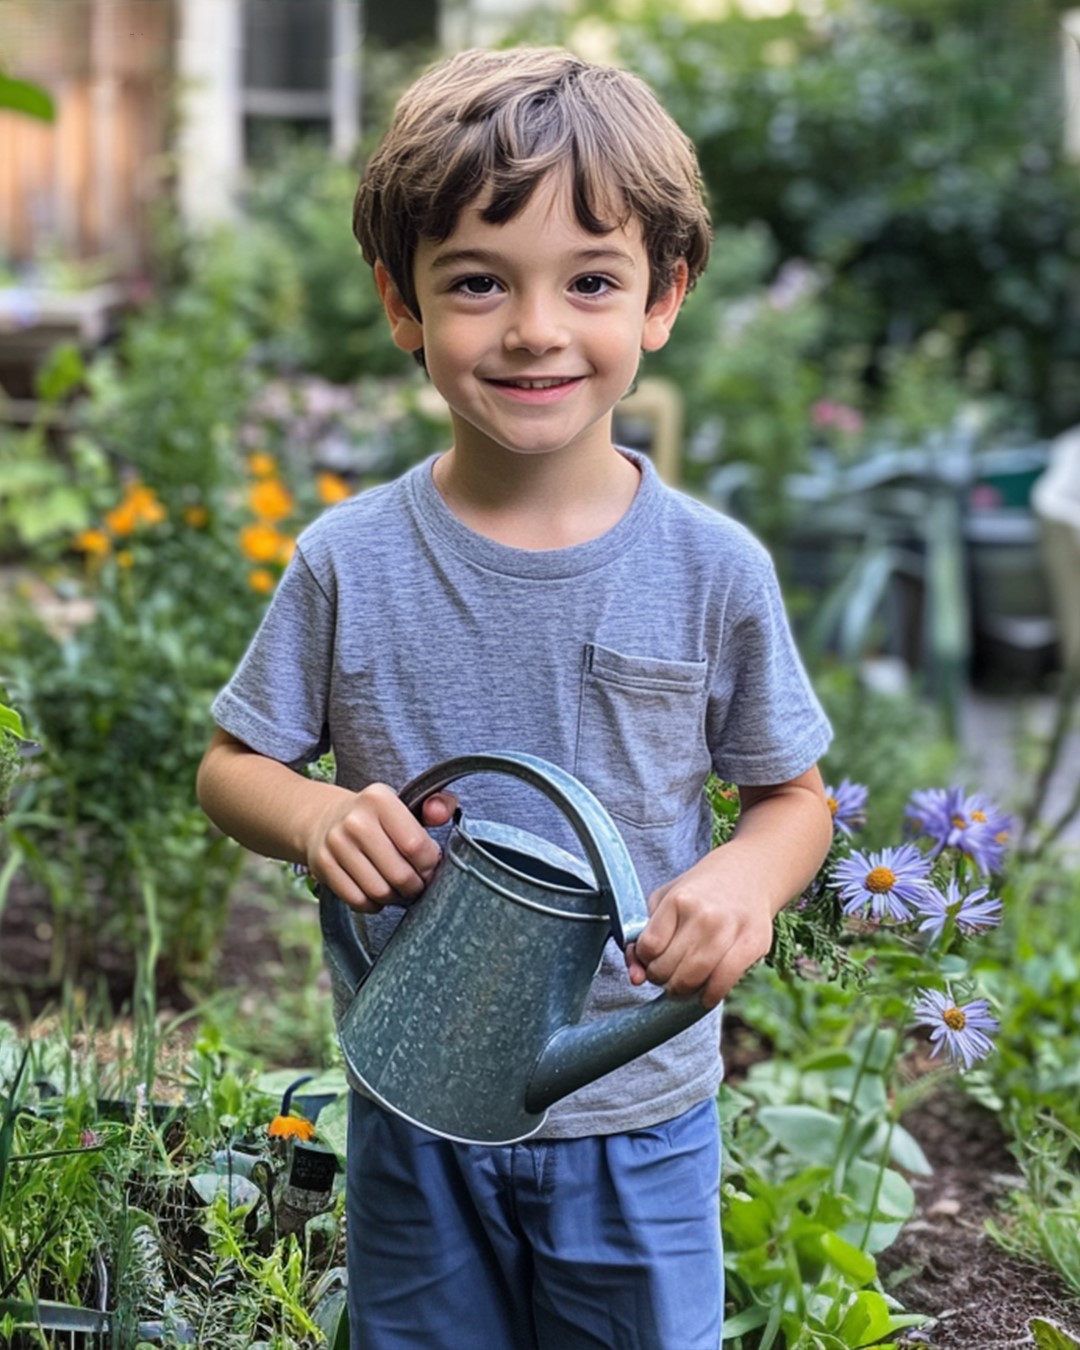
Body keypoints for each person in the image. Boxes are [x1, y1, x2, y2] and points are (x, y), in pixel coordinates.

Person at [196, 45, 834, 1350]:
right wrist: (313, 817)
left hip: (638, 1107)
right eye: (479, 282)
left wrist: (746, 883)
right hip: (416, 1100)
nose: (536, 328)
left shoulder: (712, 568)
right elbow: (231, 765)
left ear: (664, 297)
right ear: (401, 302)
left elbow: (794, 798)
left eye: (590, 281)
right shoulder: (350, 562)